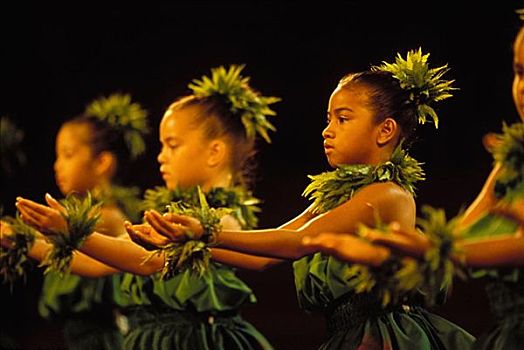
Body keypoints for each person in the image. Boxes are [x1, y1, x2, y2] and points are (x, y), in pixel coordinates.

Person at [130, 49, 476, 349]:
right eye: (329, 119)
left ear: (385, 130)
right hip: (346, 335)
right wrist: (185, 245)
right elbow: (266, 256)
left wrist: (206, 234)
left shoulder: (386, 195)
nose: (328, 130)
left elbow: (297, 242)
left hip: (386, 337)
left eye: (343, 119)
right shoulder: (337, 196)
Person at [16, 64, 278, 350]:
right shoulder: (172, 216)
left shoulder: (225, 219)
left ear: (214, 152)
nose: (161, 158)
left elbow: (147, 259)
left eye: (172, 145)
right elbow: (96, 262)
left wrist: (73, 231)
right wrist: (24, 241)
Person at [304, 22, 524, 350]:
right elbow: (452, 243)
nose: (521, 87)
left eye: (342, 118)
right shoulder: (510, 164)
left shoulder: (389, 193)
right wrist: (390, 259)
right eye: (519, 71)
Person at [1, 93, 148, 350]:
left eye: (68, 155)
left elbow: (56, 243)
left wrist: (19, 237)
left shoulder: (107, 217)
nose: (58, 166)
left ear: (102, 162)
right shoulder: (74, 217)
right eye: (57, 156)